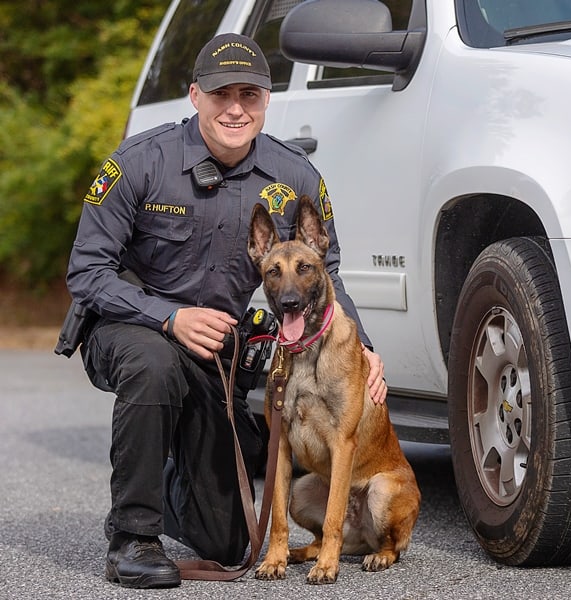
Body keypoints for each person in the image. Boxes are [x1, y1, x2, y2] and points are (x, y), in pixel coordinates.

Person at [65, 33, 387, 589]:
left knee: (227, 540)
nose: (235, 108)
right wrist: (169, 317)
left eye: (249, 94)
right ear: (195, 96)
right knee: (153, 364)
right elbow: (87, 273)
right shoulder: (141, 162)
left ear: (266, 100)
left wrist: (364, 351)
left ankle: (168, 473)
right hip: (131, 326)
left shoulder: (297, 176)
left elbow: (324, 276)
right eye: (220, 94)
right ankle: (132, 538)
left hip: (219, 354)